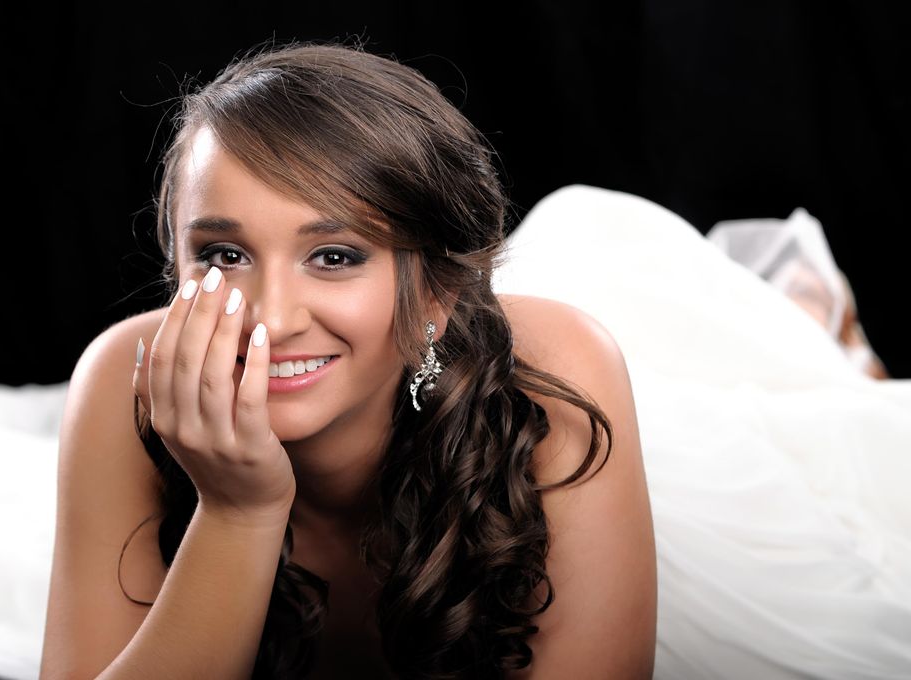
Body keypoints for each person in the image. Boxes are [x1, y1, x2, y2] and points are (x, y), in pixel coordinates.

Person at [39, 40, 656, 680]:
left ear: (438, 293)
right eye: (224, 255)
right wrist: (236, 511)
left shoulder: (559, 375)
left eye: (334, 257)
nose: (271, 320)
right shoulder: (124, 378)